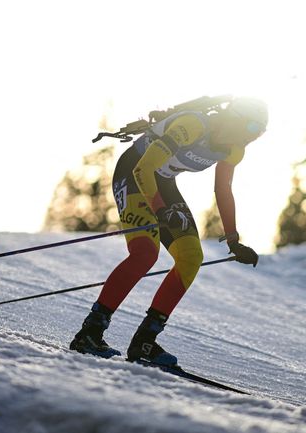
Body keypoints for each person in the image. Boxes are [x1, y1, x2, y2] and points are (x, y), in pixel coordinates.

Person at [69, 96, 268, 366]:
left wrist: (233, 240)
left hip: (162, 181)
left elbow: (223, 190)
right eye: (248, 130)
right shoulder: (193, 125)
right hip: (134, 173)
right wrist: (161, 210)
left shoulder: (234, 149)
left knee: (190, 257)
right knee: (144, 254)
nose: (248, 140)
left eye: (256, 136)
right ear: (234, 118)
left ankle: (145, 341)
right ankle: (90, 333)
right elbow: (143, 168)